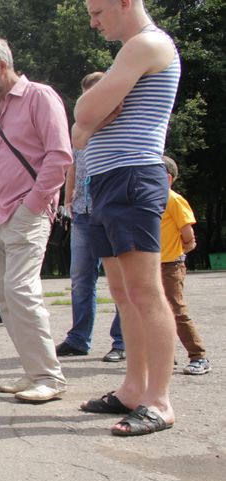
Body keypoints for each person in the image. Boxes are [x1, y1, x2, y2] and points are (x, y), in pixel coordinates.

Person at [74, 0, 180, 436]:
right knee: (122, 291)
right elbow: (80, 132)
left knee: (144, 291)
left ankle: (159, 401)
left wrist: (90, 117)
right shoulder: (131, 53)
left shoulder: (146, 45)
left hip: (132, 177)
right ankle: (133, 389)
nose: (94, 22)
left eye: (98, 12)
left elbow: (81, 116)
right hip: (106, 181)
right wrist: (90, 118)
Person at [0, 34, 70, 402]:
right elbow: (3, 162)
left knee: (22, 292)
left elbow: (59, 157)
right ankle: (33, 372)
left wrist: (33, 204)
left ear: (2, 65)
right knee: (7, 298)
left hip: (26, 213)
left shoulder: (40, 97)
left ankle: (49, 378)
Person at [55, 72, 125, 362]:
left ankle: (122, 341)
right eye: (86, 95)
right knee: (81, 279)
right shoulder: (80, 127)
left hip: (113, 208)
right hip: (82, 211)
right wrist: (66, 200)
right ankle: (78, 338)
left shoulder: (122, 123)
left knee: (121, 280)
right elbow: (72, 165)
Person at [160, 156, 210, 376]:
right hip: (152, 266)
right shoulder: (147, 200)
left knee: (177, 311)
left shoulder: (174, 200)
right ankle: (165, 358)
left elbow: (188, 237)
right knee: (157, 313)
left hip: (171, 266)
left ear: (168, 179)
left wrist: (179, 252)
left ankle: (199, 356)